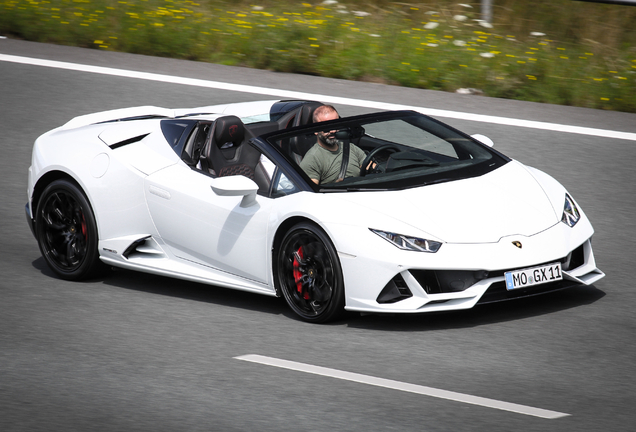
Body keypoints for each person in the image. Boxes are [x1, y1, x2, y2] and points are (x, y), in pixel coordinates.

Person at [299, 105, 368, 184]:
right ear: (316, 130)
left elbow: (372, 169)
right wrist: (336, 187)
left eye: (335, 125)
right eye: (327, 127)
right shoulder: (312, 158)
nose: (332, 131)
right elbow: (310, 192)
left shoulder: (351, 148)